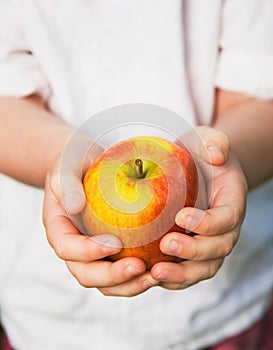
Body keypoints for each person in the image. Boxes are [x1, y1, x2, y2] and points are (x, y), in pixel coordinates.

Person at [0, 1, 273, 349]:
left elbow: (260, 89)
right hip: (47, 313)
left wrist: (222, 163)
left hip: (233, 303)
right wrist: (64, 158)